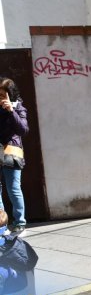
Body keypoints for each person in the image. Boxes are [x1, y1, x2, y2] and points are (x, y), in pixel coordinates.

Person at [0, 78, 28, 237]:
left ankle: (19, 223)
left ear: (10, 95)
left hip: (11, 151)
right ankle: (1, 225)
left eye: (3, 95)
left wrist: (11, 111)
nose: (0, 99)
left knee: (13, 188)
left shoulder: (19, 107)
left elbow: (23, 130)